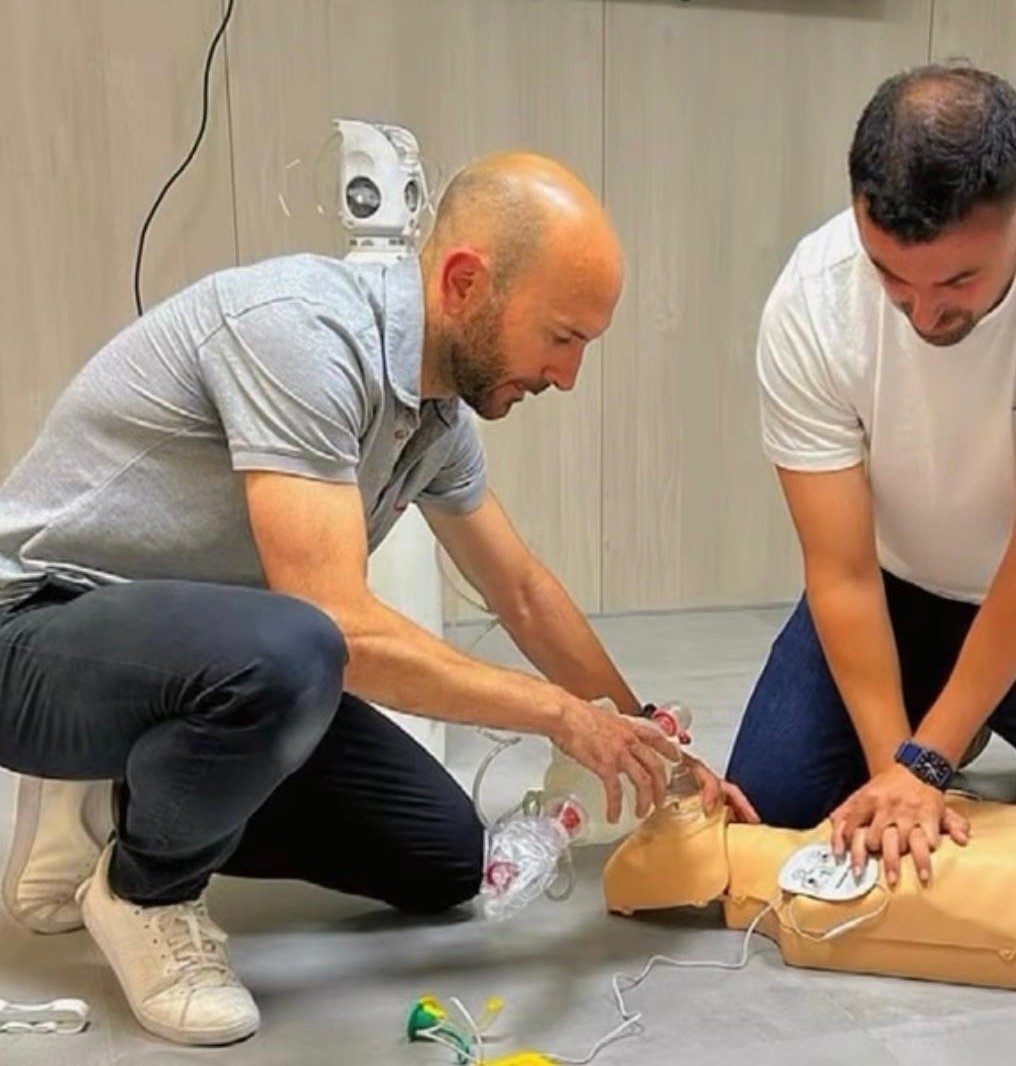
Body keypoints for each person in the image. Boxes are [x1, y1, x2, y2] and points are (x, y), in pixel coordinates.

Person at [0, 151, 752, 1047]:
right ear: (466, 281)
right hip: (37, 631)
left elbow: (518, 585)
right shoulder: (300, 335)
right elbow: (342, 626)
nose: (568, 376)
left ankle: (127, 791)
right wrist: (559, 717)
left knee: (443, 857)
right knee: (299, 650)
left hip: (201, 661)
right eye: (562, 337)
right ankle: (144, 890)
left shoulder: (437, 417)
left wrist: (640, 734)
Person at [726, 64, 1016, 889]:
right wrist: (900, 767)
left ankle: (965, 718)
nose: (925, 316)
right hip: (902, 590)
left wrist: (930, 760)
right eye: (894, 278)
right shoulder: (813, 299)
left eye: (958, 281)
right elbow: (843, 572)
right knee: (777, 797)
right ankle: (952, 715)